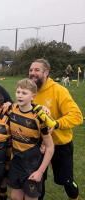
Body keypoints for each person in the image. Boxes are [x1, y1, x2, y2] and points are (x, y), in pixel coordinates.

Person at [28, 58, 83, 200]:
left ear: (46, 72)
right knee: (38, 179)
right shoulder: (29, 91)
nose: (32, 73)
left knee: (67, 182)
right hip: (39, 145)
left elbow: (77, 116)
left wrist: (55, 124)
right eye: (31, 70)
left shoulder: (59, 90)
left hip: (60, 145)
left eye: (37, 70)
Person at [6, 78, 54, 200]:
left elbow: (50, 147)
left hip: (32, 165)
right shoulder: (11, 109)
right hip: (16, 162)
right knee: (14, 197)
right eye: (18, 92)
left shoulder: (39, 116)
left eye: (24, 93)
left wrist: (40, 172)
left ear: (33, 96)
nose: (20, 96)